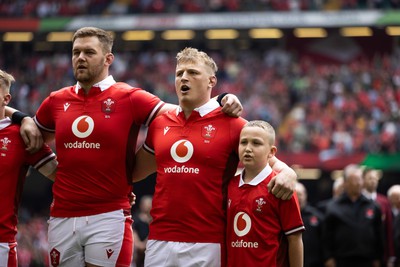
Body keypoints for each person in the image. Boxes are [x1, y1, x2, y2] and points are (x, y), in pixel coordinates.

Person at [4, 27, 243, 267]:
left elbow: (184, 113)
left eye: (89, 52)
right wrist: (22, 118)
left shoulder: (130, 97)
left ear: (108, 59)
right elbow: (29, 139)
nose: (80, 58)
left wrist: (221, 100)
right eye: (76, 52)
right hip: (61, 216)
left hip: (109, 216)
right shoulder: (56, 100)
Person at [132, 47, 297, 267]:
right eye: (179, 73)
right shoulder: (160, 123)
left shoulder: (233, 124)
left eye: (192, 72)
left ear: (211, 81)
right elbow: (133, 172)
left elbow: (268, 159)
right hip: (159, 240)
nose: (184, 78)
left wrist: (289, 173)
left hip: (208, 242)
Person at [226, 120, 304, 267]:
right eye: (243, 142)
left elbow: (294, 239)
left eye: (256, 143)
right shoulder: (229, 185)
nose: (248, 148)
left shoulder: (281, 186)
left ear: (271, 152)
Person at [0, 69, 57, 267]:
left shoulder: (21, 136)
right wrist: (23, 116)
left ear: (6, 98)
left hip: (1, 244)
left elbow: (61, 176)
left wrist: (109, 192)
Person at [322, 164, 384, 267]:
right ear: (345, 183)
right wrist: (328, 257)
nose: (359, 183)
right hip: (341, 260)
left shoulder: (373, 206)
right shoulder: (332, 207)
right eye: (354, 180)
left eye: (360, 179)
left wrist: (378, 258)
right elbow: (326, 236)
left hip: (367, 261)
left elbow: (379, 235)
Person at [362, 168, 395, 267]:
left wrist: (391, 256)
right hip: (362, 254)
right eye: (370, 178)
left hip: (382, 254)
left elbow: (389, 229)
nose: (373, 181)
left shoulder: (384, 202)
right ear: (363, 180)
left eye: (375, 179)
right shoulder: (358, 201)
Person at [295, 182, 324, 267]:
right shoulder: (285, 216)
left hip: (314, 263)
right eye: (295, 194)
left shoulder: (317, 216)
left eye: (300, 194)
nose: (298, 197)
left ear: (305, 195)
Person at [132, 195, 152, 267]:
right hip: (138, 255)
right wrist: (143, 245)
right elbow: (137, 244)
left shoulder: (154, 221)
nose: (147, 206)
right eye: (145, 204)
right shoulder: (135, 220)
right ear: (141, 205)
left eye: (149, 204)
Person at [387, 185, 400, 267]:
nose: (399, 200)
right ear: (390, 199)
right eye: (396, 197)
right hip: (390, 251)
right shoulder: (386, 211)